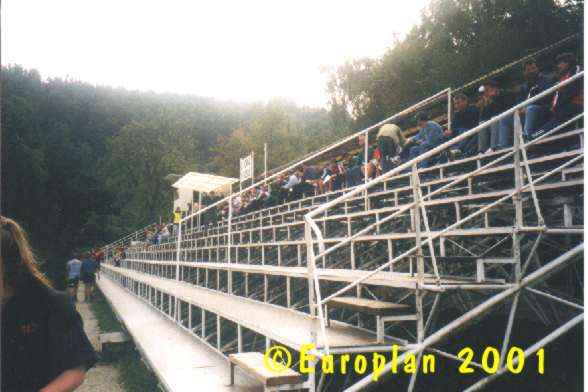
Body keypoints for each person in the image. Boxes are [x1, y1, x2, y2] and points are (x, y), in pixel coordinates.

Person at [1, 216, 97, 391]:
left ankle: (82, 296)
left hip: (74, 279)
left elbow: (76, 368)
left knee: (79, 289)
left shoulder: (50, 303)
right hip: (77, 277)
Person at [532, 52, 583, 139]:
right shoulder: (564, 76)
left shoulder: (576, 70)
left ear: (567, 63)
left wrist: (557, 106)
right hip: (566, 104)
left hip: (577, 103)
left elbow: (572, 91)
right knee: (539, 111)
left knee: (556, 118)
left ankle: (533, 136)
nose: (558, 66)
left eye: (560, 63)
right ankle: (532, 136)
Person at [516, 59, 555, 139]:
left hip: (544, 109)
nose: (532, 71)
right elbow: (519, 101)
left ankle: (528, 137)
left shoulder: (545, 81)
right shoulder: (523, 87)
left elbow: (546, 98)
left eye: (534, 68)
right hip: (527, 113)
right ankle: (501, 146)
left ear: (537, 68)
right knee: (506, 119)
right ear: (524, 72)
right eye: (529, 69)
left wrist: (527, 107)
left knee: (531, 109)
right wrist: (520, 108)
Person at [478, 79, 516, 153]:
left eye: (487, 90)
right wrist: (485, 105)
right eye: (485, 91)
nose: (485, 93)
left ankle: (494, 147)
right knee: (482, 123)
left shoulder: (507, 95)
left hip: (508, 119)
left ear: (495, 88)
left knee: (494, 119)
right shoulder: (490, 99)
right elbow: (484, 117)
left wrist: (493, 101)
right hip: (497, 121)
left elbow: (503, 110)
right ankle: (481, 150)